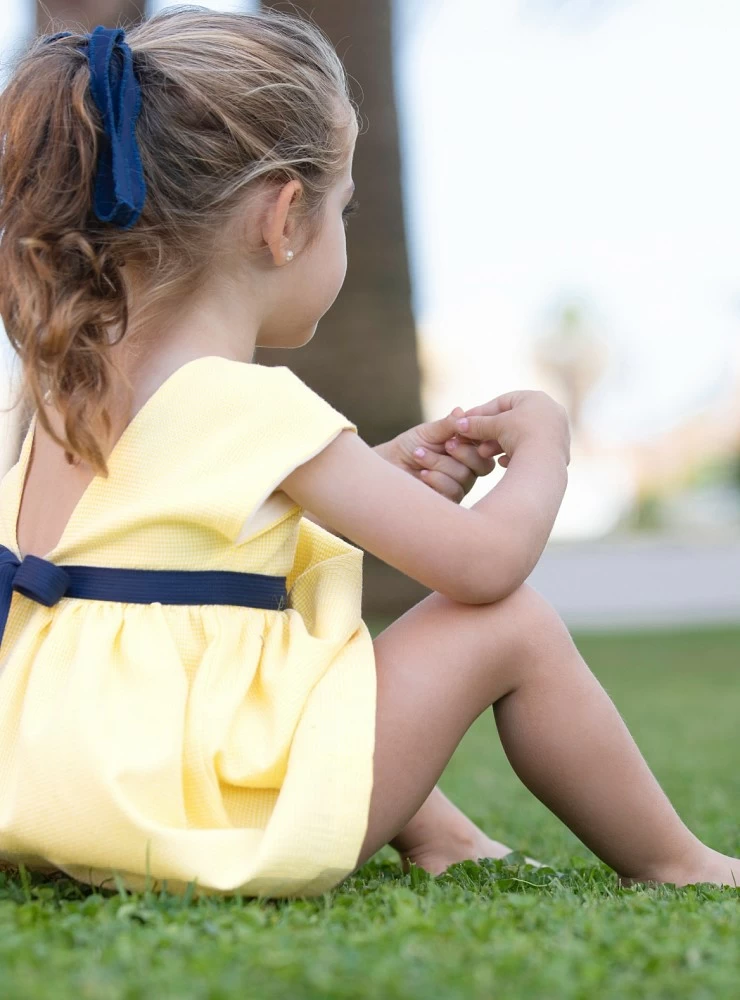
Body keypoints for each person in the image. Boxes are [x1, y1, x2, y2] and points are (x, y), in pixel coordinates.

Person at [0, 8, 735, 899]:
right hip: (191, 816)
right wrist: (547, 445)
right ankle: (680, 864)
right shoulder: (243, 401)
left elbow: (173, 544)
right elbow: (485, 566)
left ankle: (446, 838)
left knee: (304, 626)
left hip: (58, 781)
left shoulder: (63, 388)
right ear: (281, 222)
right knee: (510, 625)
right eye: (343, 207)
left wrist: (375, 473)